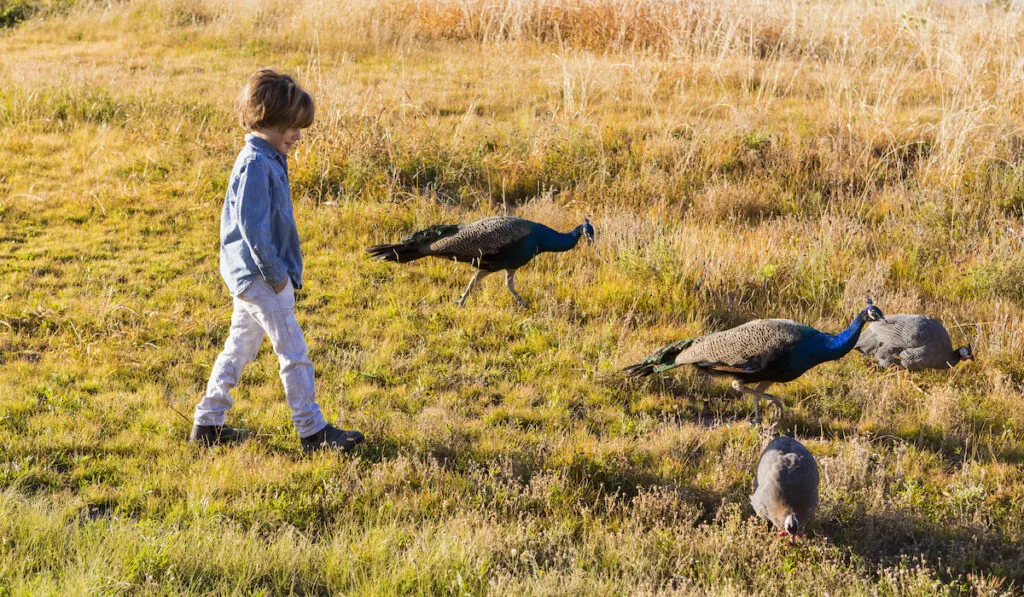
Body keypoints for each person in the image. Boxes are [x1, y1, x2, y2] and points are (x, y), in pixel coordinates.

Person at [190, 68, 363, 453]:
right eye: (292, 126)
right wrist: (277, 277)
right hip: (261, 279)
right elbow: (253, 229)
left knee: (238, 348)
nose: (298, 135)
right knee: (293, 352)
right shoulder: (256, 163)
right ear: (268, 118)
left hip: (252, 276)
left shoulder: (267, 156)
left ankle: (207, 423)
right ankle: (312, 431)